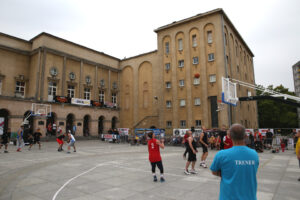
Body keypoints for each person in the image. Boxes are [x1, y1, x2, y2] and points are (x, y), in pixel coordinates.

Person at [210, 124, 259, 200]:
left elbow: (214, 171)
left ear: (230, 136)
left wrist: (226, 173)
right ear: (245, 136)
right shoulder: (254, 154)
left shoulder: (221, 154)